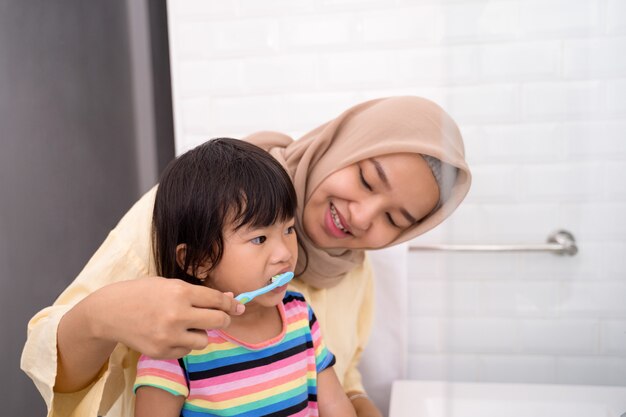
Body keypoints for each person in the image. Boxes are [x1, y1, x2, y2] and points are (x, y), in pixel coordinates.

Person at [21, 96, 472, 417]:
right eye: (368, 180)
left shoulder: (349, 273)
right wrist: (103, 315)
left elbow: (336, 378)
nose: (363, 216)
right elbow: (49, 355)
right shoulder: (198, 209)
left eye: (395, 219)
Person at [133, 138, 355, 417]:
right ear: (199, 261)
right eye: (259, 238)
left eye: (288, 229)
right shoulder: (175, 341)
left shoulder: (299, 314)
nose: (284, 253)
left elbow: (335, 405)